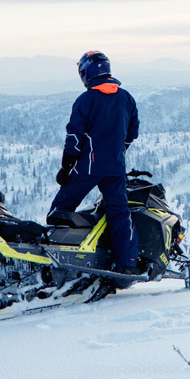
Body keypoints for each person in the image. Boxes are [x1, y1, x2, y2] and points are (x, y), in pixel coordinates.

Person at [51, 50, 142, 274]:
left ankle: (53, 255)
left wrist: (66, 167)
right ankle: (127, 264)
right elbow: (132, 133)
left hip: (88, 167)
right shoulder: (126, 97)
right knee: (120, 214)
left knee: (60, 209)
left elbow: (74, 136)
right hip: (116, 168)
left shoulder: (86, 99)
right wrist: (118, 152)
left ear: (85, 73)